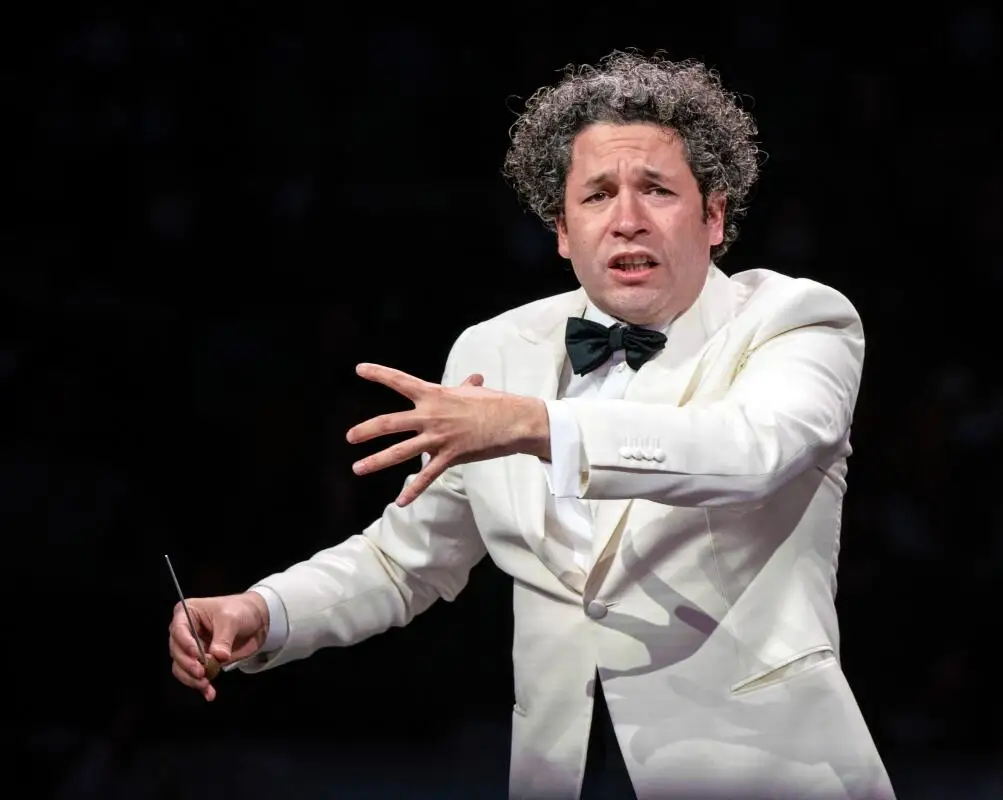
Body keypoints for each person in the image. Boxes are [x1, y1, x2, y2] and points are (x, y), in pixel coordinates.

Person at [168, 50, 895, 799]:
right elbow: (409, 558)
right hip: (560, 770)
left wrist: (538, 426)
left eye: (657, 190)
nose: (627, 220)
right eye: (597, 195)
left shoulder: (795, 320)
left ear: (714, 217)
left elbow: (751, 453)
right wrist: (266, 610)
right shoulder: (493, 351)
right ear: (561, 229)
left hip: (762, 773)